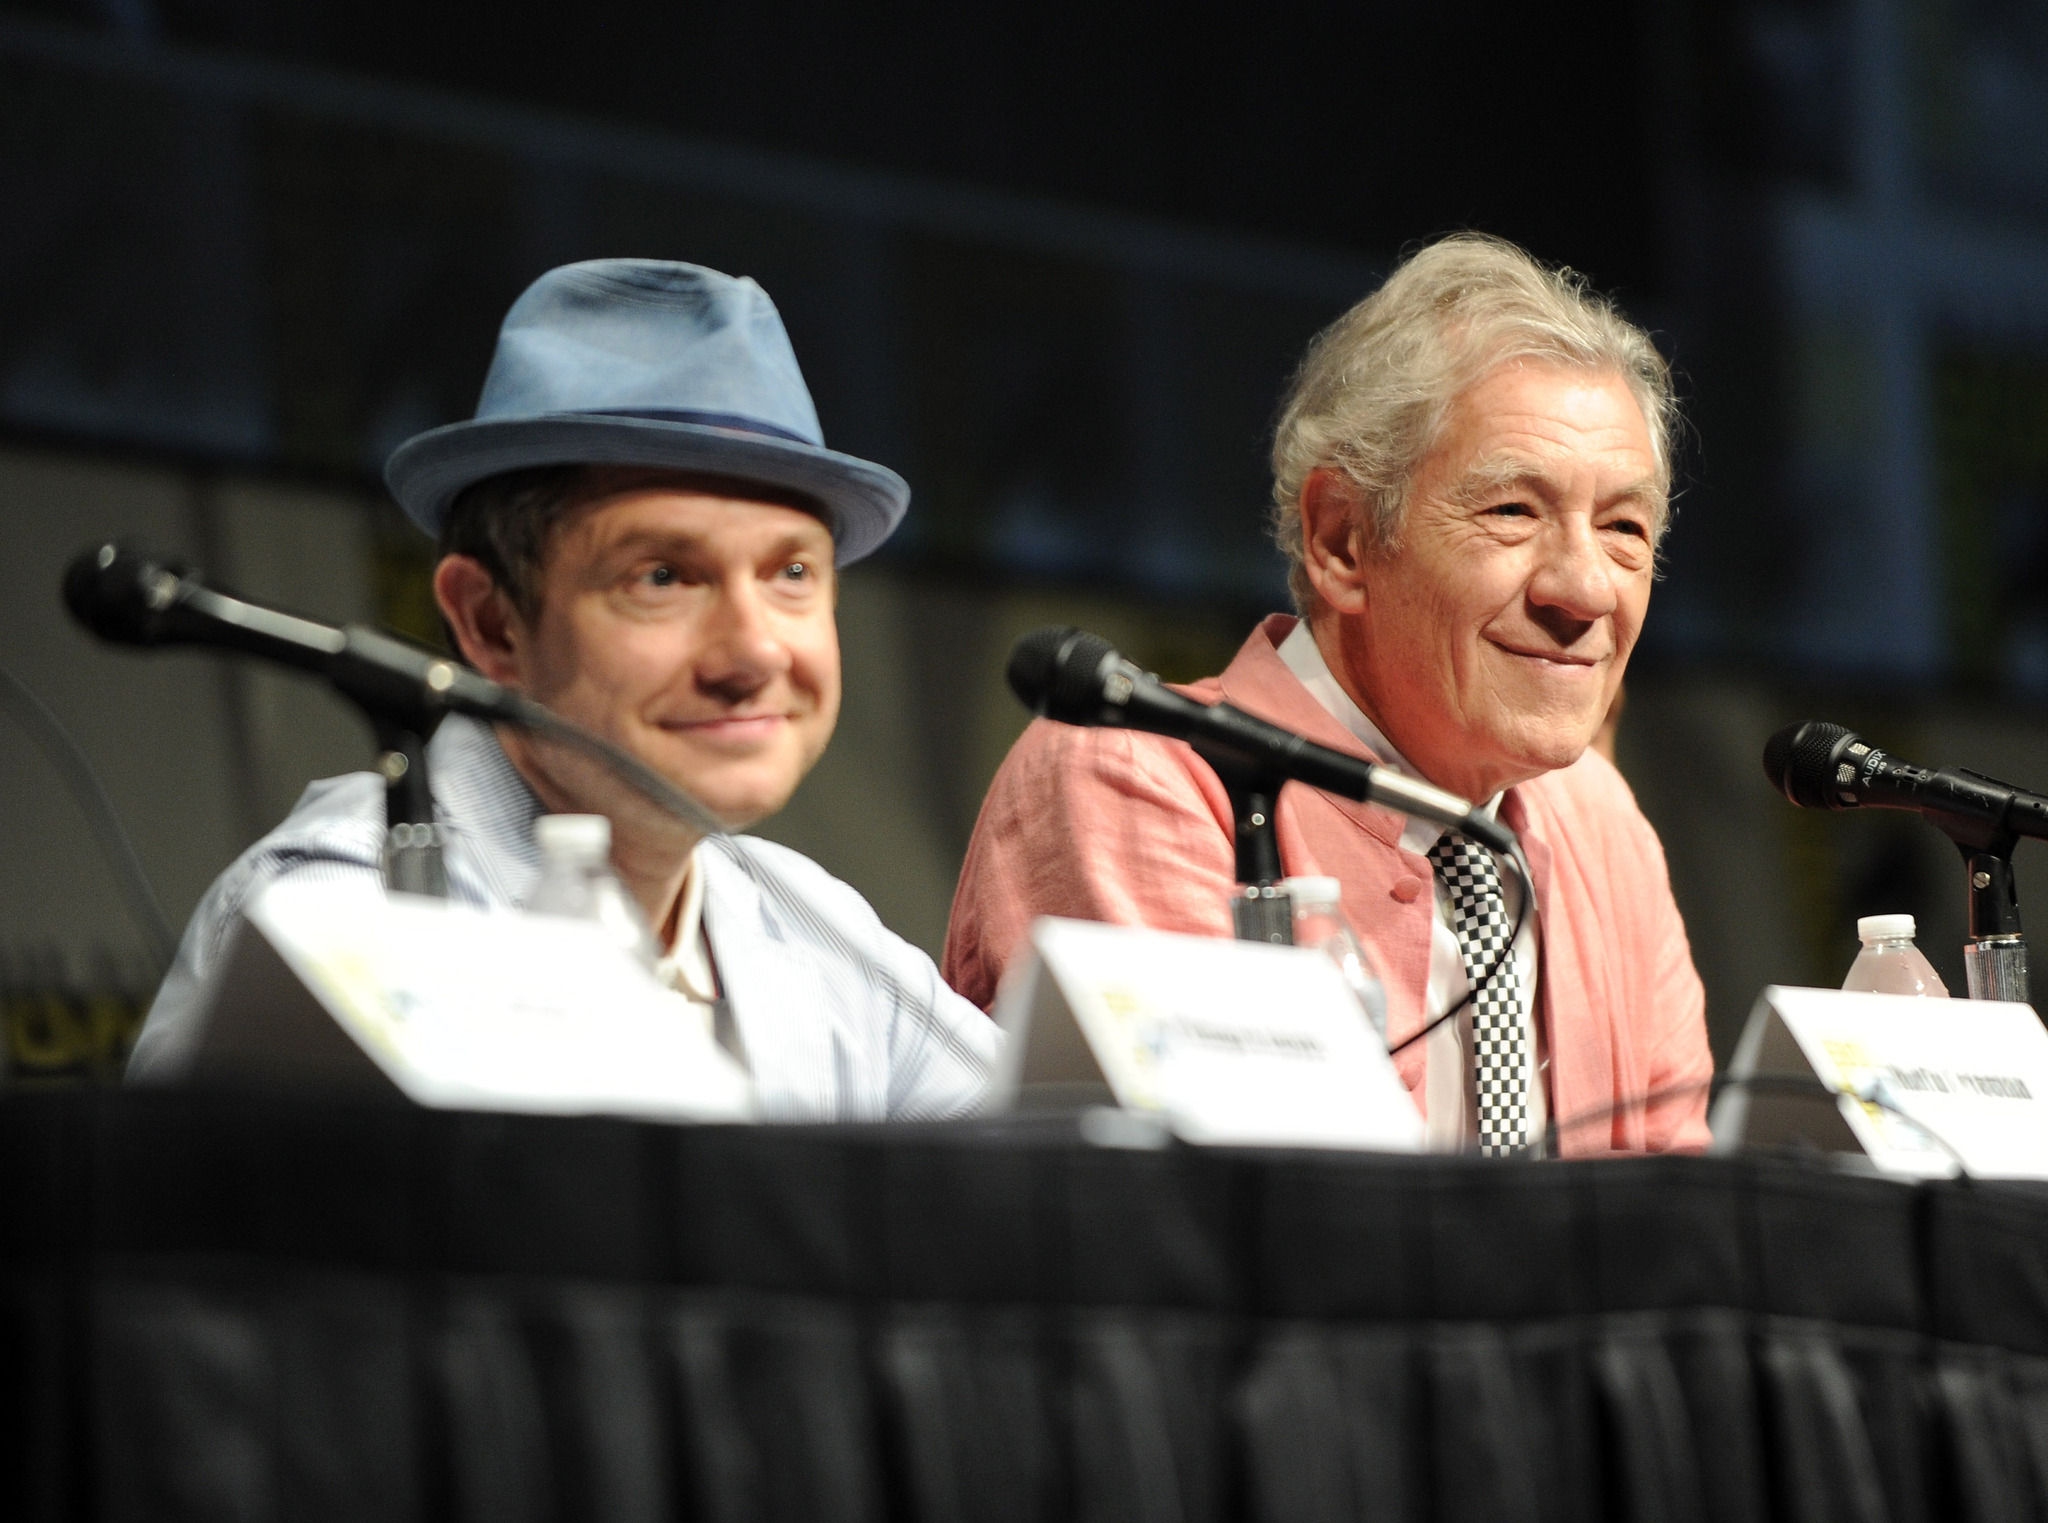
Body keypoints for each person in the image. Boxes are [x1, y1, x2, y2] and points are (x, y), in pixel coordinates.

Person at [131, 258, 997, 1120]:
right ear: (492, 621)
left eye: (793, 572)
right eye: (663, 576)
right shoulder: (335, 912)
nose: (754, 652)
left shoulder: (816, 921)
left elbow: (1068, 1175)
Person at [944, 234, 1711, 1155]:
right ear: (1342, 540)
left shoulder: (1600, 823)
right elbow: (1226, 1233)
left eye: (1625, 528)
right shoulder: (1136, 780)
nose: (1586, 589)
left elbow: (1685, 1220)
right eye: (1512, 509)